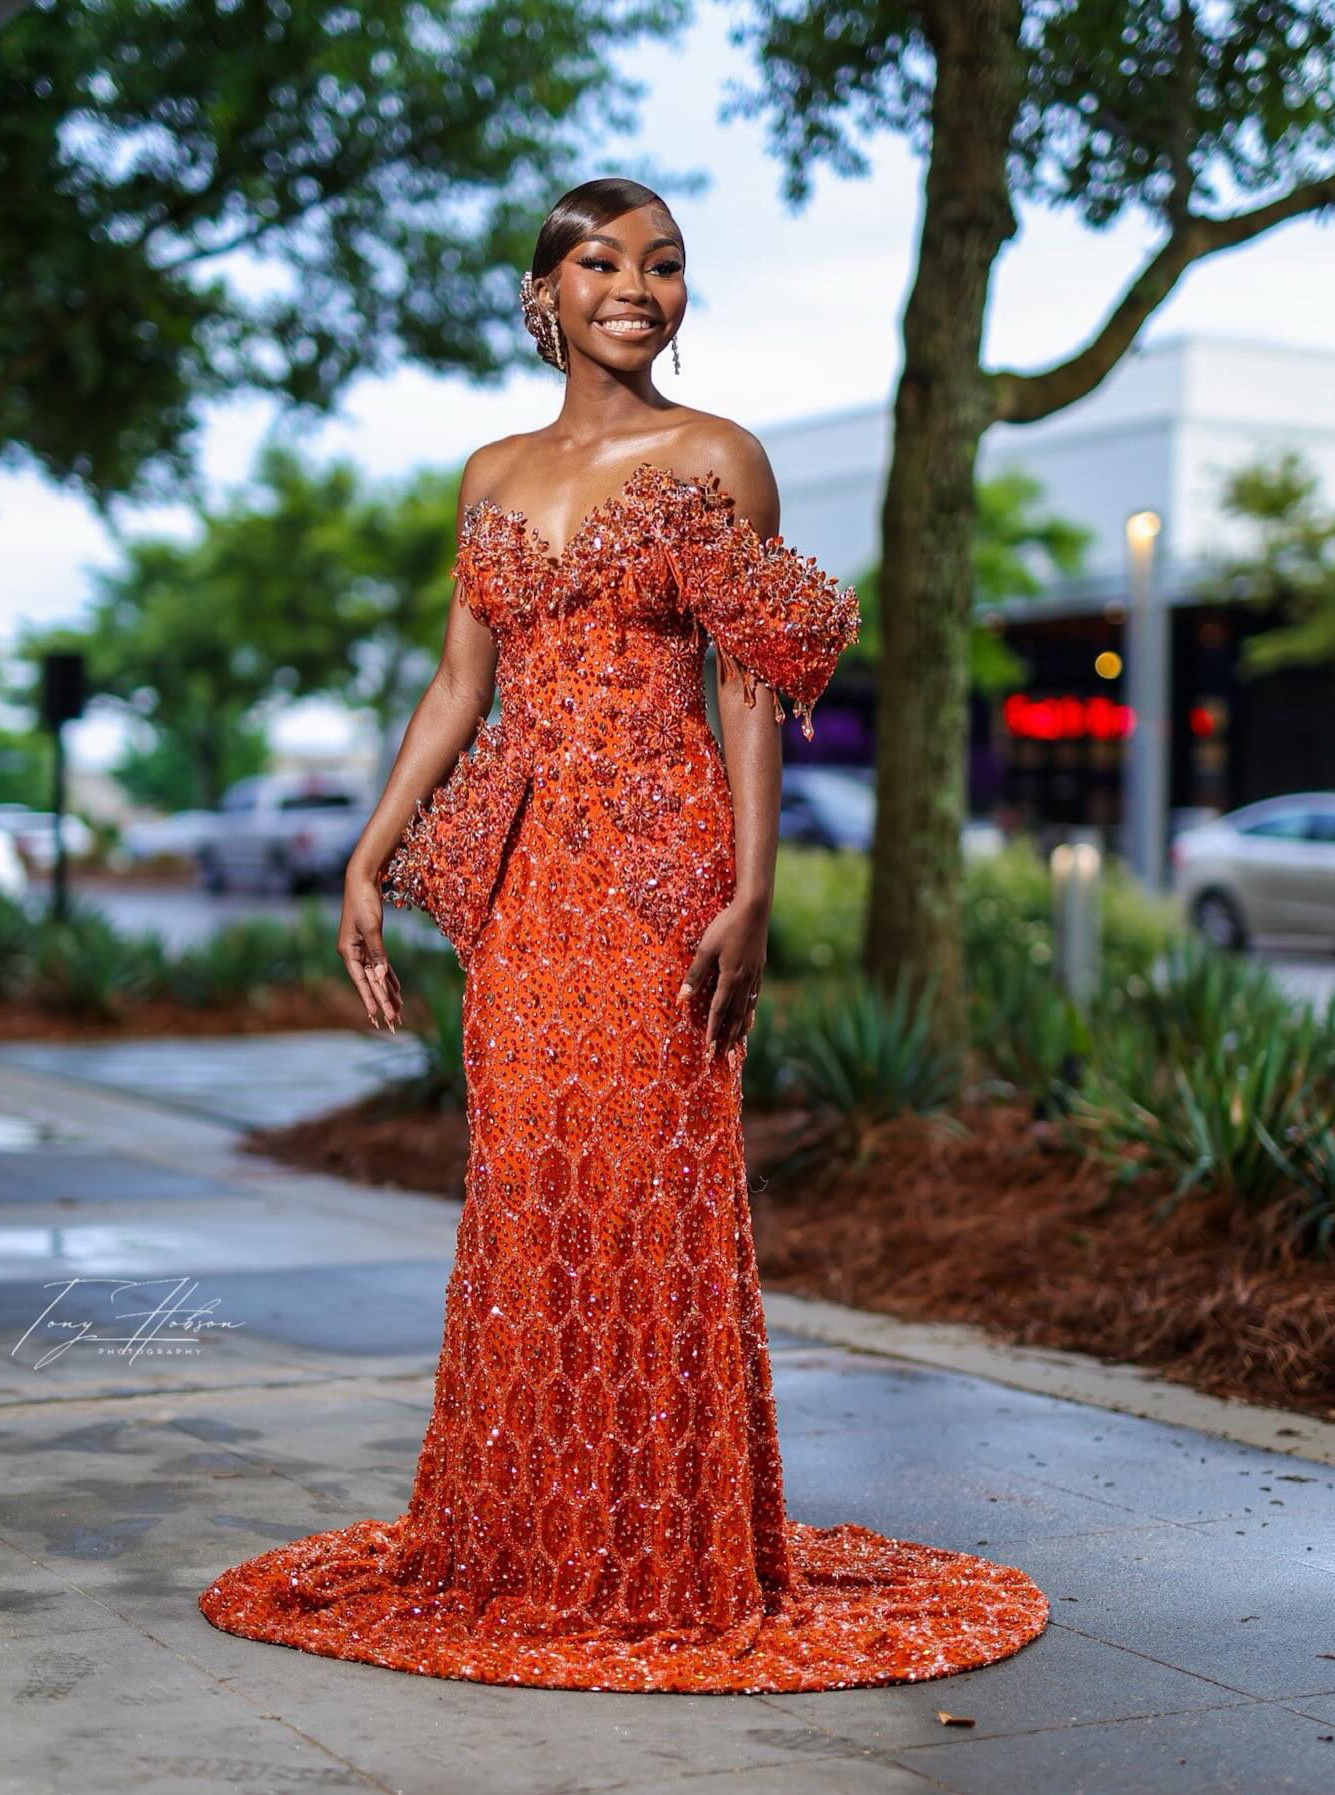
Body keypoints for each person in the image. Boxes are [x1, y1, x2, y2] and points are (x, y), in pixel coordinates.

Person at [198, 176, 1049, 1693]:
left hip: (662, 881)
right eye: (604, 261)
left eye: (663, 265)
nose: (637, 287)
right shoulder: (491, 472)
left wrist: (758, 887)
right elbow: (459, 692)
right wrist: (369, 856)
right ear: (547, 289)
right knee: (531, 1195)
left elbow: (752, 684)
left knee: (654, 1195)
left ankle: (666, 1545)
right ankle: (528, 1539)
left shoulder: (720, 457)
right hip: (525, 897)